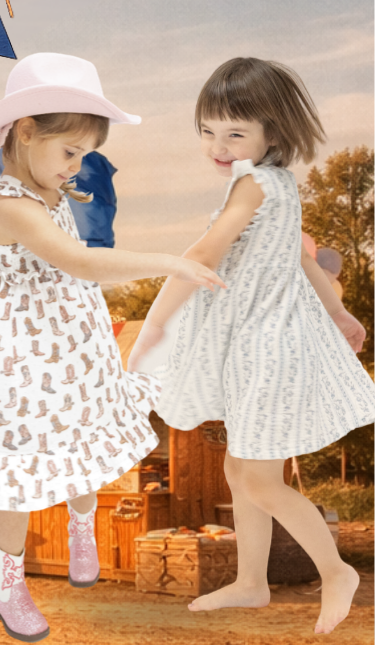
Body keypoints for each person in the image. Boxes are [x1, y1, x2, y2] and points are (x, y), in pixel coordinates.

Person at [0, 53, 224, 642]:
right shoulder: (6, 206)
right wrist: (168, 261)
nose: (76, 166)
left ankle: (81, 525)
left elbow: (75, 263)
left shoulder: (54, 193)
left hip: (72, 346)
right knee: (18, 468)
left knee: (84, 435)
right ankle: (9, 580)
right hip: (16, 361)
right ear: (26, 132)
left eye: (82, 155)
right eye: (69, 152)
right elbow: (78, 260)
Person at [131, 57, 373, 635]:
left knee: (259, 477)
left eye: (235, 133)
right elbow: (300, 257)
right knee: (241, 469)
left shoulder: (253, 184)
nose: (219, 145)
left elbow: (204, 253)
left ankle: (337, 571)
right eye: (208, 132)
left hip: (269, 349)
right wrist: (339, 310)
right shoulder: (279, 184)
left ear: (274, 133)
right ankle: (250, 581)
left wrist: (156, 322)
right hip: (256, 347)